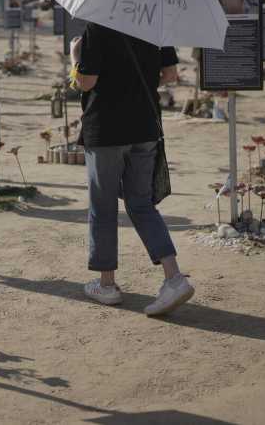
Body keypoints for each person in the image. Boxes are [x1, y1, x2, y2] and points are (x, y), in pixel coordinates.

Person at [70, 22, 193, 316]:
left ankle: (107, 284)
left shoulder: (97, 28)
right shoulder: (154, 23)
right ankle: (174, 277)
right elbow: (170, 74)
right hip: (145, 127)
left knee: (103, 205)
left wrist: (75, 58)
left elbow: (85, 82)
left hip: (106, 131)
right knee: (141, 204)